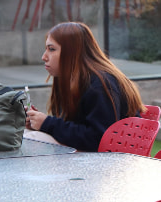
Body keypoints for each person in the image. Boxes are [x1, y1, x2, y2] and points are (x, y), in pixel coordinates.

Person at [26, 22, 146, 152]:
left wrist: (48, 124)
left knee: (30, 139)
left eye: (52, 49)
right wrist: (39, 124)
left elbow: (98, 139)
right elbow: (75, 128)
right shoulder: (72, 81)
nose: (44, 57)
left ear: (72, 52)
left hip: (112, 164)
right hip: (88, 158)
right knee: (27, 135)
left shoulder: (100, 85)